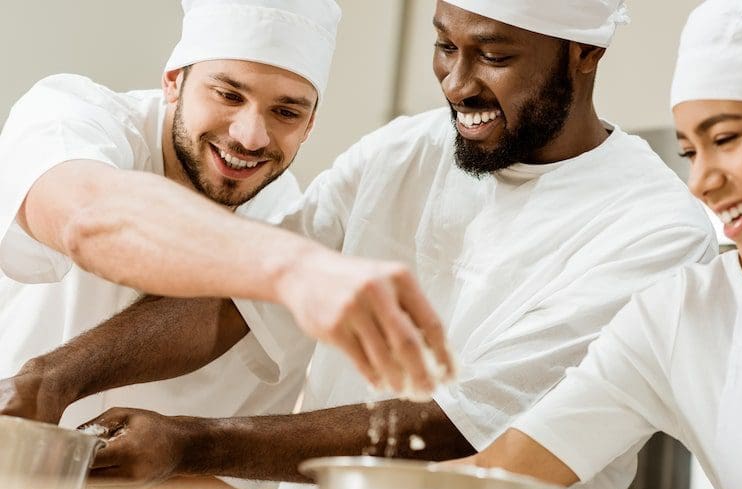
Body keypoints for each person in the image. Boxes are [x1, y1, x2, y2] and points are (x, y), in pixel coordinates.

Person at [1, 0, 717, 489]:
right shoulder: (406, 150)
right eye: (444, 47)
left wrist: (188, 445)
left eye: (493, 56)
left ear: (582, 54)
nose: (457, 84)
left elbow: (467, 427)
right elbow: (243, 302)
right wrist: (55, 378)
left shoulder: (654, 227)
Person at [0, 0, 451, 430]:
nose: (251, 136)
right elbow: (89, 219)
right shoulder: (73, 117)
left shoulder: (287, 222)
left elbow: (230, 482)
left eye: (286, 111)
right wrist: (293, 268)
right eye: (229, 94)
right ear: (174, 80)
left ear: (310, 124)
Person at [461, 0, 742, 489]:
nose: (702, 181)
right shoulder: (682, 315)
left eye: (725, 139)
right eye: (691, 152)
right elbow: (503, 474)